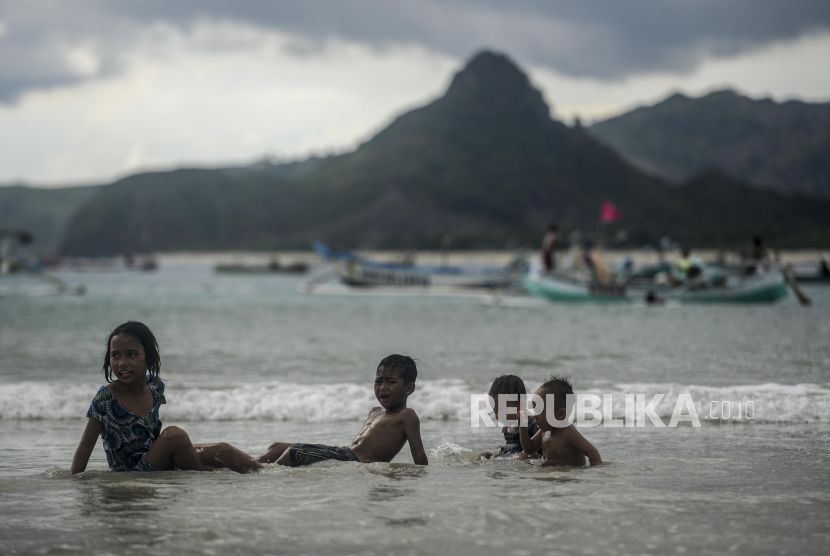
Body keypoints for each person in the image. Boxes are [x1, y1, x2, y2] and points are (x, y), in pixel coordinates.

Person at [71, 321, 262, 474]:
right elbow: (85, 447)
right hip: (134, 470)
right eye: (115, 356)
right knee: (174, 435)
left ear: (149, 358)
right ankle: (204, 476)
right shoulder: (105, 398)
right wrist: (75, 482)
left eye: (131, 354)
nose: (122, 363)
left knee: (223, 450)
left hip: (158, 458)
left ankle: (269, 472)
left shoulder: (155, 386)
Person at [258, 355, 428, 466]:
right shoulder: (375, 411)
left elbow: (419, 457)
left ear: (409, 389)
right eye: (378, 381)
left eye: (391, 382)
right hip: (342, 452)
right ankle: (251, 464)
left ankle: (258, 474)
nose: (383, 387)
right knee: (277, 447)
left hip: (353, 461)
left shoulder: (406, 415)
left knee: (294, 452)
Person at [518, 375, 601, 467]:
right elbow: (530, 449)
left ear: (560, 414)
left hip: (566, 476)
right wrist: (523, 430)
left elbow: (592, 451)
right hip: (552, 475)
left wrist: (596, 470)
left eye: (540, 411)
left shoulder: (568, 433)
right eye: (535, 410)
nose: (534, 416)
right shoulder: (544, 431)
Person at [479, 375, 541, 459]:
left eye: (503, 409)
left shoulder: (535, 424)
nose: (498, 415)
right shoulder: (509, 424)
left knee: (527, 455)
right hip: (511, 455)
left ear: (521, 405)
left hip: (526, 456)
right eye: (495, 410)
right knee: (484, 455)